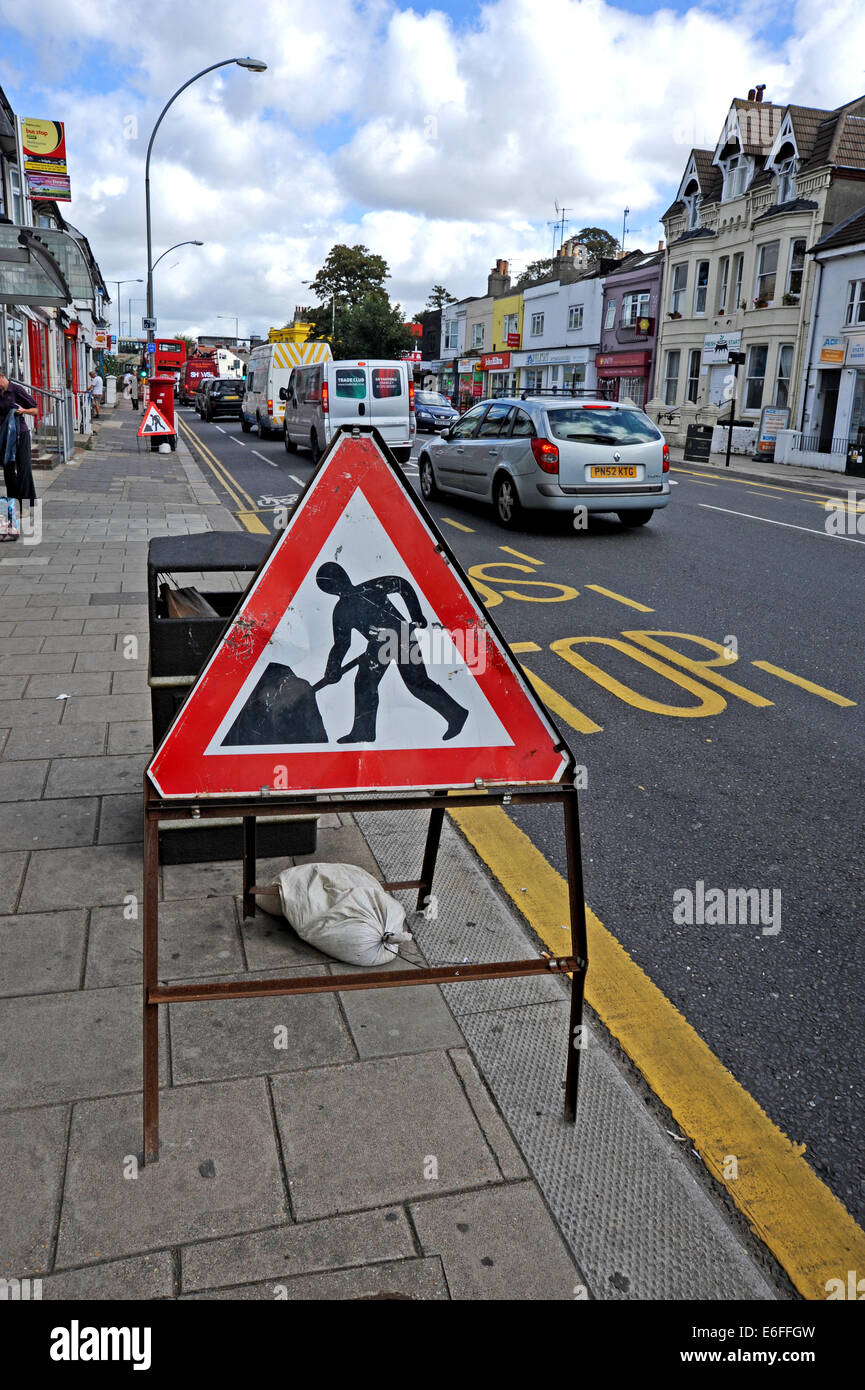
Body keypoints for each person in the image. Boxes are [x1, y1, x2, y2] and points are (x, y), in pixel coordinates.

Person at [316, 561, 469, 744]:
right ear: (329, 590)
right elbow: (341, 644)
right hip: (378, 645)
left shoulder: (371, 588)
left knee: (416, 683)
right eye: (332, 586)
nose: (339, 587)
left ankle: (456, 714)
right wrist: (332, 668)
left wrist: (417, 615)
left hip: (403, 636)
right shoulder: (341, 611)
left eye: (338, 582)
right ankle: (363, 731)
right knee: (365, 683)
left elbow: (401, 584)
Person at [0, 372, 38, 531]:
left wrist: (23, 410)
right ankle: (13, 503)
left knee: (23, 469)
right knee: (8, 470)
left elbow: (35, 409)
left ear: (1, 376)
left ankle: (26, 505)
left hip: (20, 434)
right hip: (4, 436)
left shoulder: (16, 390)